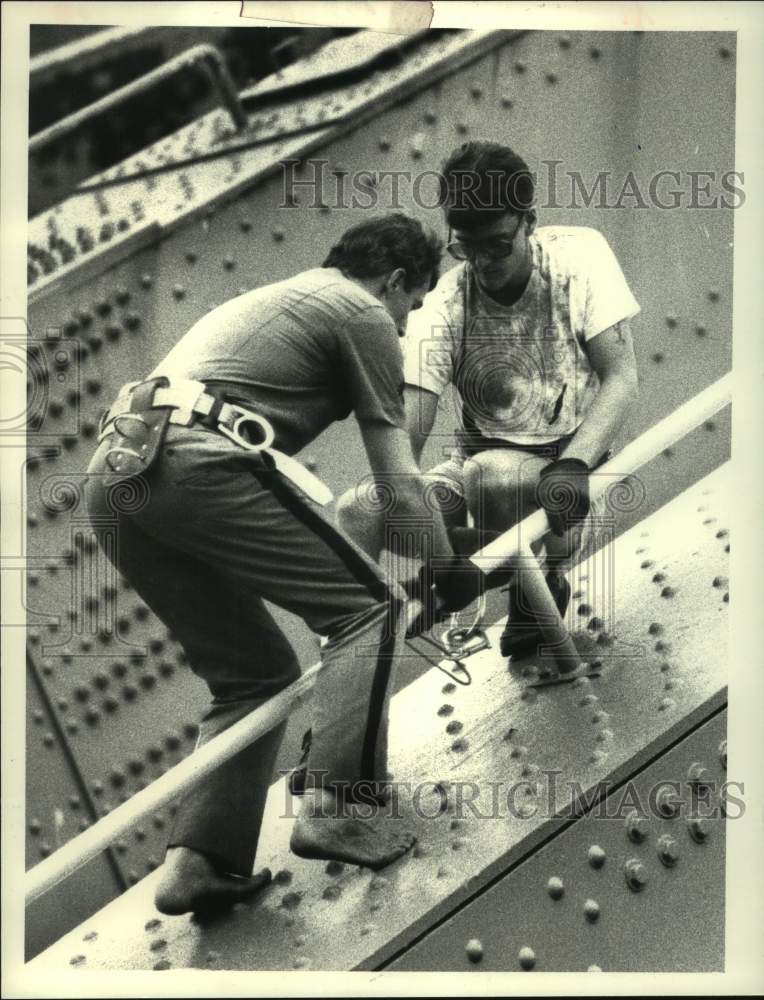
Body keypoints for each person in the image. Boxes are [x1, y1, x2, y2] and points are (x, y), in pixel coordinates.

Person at [85, 213, 455, 916]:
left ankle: (198, 860)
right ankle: (336, 805)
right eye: (414, 303)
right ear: (395, 280)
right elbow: (397, 480)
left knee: (250, 676)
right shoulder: (360, 310)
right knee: (368, 609)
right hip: (190, 457)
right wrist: (451, 569)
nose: (407, 327)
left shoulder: (283, 299)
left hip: (117, 474)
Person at [338, 142, 640, 657]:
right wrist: (427, 541)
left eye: (497, 246)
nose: (481, 263)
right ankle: (360, 651)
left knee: (497, 470)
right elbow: (407, 434)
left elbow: (622, 377)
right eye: (466, 249)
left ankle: (536, 584)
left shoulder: (578, 256)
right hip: (474, 475)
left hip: (565, 483)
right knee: (358, 509)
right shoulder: (445, 302)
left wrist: (574, 464)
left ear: (530, 221)